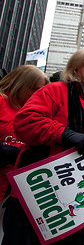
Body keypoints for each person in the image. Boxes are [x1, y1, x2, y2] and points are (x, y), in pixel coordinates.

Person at [0, 48, 84, 245]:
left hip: (80, 205)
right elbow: (25, 121)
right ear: (75, 68)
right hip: (40, 199)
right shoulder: (55, 91)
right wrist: (64, 134)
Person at [0, 65, 49, 200]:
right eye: (35, 89)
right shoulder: (2, 101)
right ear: (22, 83)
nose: (38, 94)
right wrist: (9, 152)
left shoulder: (34, 112)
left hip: (14, 187)